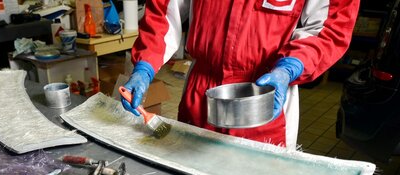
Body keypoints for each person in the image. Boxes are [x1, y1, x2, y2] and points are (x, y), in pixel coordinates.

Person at [121, 0, 360, 150]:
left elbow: (329, 29)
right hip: (201, 92)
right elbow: (164, 12)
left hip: (265, 95)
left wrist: (290, 68)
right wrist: (145, 65)